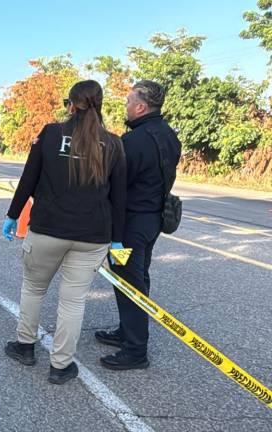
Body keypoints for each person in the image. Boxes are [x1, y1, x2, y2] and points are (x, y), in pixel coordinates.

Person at [2, 80, 127, 385]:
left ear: (71, 105)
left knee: (33, 289)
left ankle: (26, 347)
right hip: (94, 236)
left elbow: (28, 178)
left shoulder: (50, 133)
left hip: (47, 229)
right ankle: (61, 366)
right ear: (99, 106)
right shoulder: (113, 143)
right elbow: (119, 198)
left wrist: (12, 215)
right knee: (73, 302)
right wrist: (118, 241)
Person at [95, 80, 181, 370]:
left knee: (129, 280)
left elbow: (116, 186)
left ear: (141, 106)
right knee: (137, 276)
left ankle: (135, 351)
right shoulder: (171, 137)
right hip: (153, 221)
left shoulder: (131, 142)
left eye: (129, 101)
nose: (127, 106)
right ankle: (126, 331)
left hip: (130, 226)